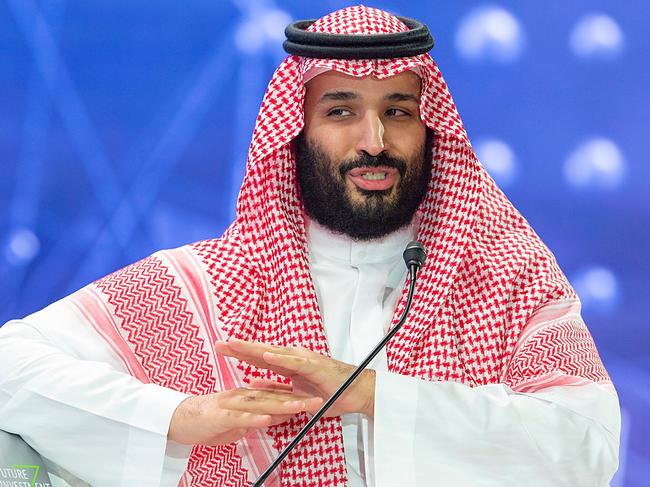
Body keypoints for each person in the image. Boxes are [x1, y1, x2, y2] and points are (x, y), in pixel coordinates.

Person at [0, 6, 620, 487]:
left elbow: (588, 443)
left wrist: (374, 396)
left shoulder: (507, 281)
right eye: (342, 111)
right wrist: (172, 417)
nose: (374, 141)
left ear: (430, 130)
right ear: (295, 132)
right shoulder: (205, 285)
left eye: (398, 112)